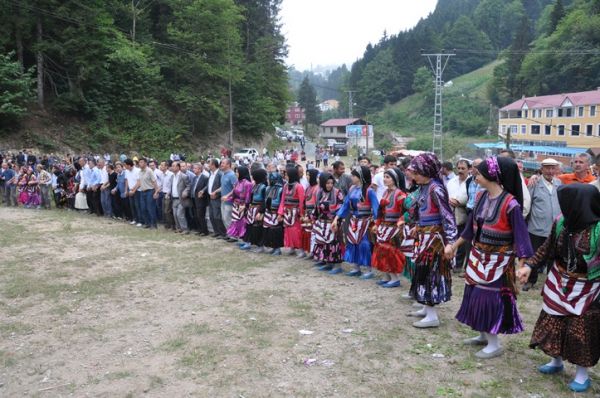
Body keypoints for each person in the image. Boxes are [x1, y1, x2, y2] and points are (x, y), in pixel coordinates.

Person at [518, 184, 600, 393]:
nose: (563, 208)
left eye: (567, 204)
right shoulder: (561, 222)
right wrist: (529, 265)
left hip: (587, 287)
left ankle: (582, 374)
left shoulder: (598, 230)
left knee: (580, 331)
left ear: (579, 205)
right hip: (558, 281)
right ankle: (556, 361)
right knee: (553, 323)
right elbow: (547, 247)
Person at [450, 156, 533, 358]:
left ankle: (494, 343)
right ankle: (482, 335)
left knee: (490, 299)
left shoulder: (511, 204)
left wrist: (523, 266)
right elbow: (470, 228)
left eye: (478, 173)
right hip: (478, 256)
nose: (474, 176)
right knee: (474, 295)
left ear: (491, 175)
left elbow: (521, 238)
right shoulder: (480, 198)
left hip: (499, 261)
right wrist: (455, 246)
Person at [405, 153, 457, 329]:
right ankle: (427, 309)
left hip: (434, 241)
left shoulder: (436, 189)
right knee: (423, 273)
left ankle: (432, 315)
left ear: (426, 171)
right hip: (424, 237)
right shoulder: (426, 187)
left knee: (431, 275)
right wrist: (418, 226)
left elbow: (447, 216)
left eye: (416, 171)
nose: (413, 175)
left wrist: (451, 242)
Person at [333, 165, 379, 279]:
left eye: (354, 175)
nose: (352, 177)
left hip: (365, 222)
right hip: (353, 220)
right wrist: (337, 218)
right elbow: (345, 205)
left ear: (360, 176)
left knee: (364, 245)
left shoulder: (369, 191)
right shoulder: (352, 189)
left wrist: (377, 222)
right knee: (352, 243)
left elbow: (376, 207)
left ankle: (368, 269)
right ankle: (356, 267)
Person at [524, 158, 562, 290]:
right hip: (536, 227)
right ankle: (530, 279)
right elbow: (527, 204)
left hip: (554, 228)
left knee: (554, 256)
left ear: (556, 169)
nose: (550, 171)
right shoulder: (534, 183)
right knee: (534, 254)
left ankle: (551, 282)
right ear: (542, 169)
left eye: (553, 168)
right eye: (547, 168)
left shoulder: (559, 183)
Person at [371, 167, 407, 288]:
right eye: (384, 177)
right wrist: (377, 224)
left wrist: (400, 225)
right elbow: (381, 212)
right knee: (381, 252)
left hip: (393, 228)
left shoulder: (400, 195)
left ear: (395, 179)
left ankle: (395, 278)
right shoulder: (386, 192)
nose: (385, 179)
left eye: (388, 177)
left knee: (390, 252)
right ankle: (386, 276)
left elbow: (405, 212)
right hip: (383, 227)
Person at [313, 172, 345, 273]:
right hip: (322, 223)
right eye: (327, 183)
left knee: (334, 243)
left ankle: (337, 266)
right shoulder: (319, 193)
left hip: (333, 223)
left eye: (331, 183)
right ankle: (328, 263)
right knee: (323, 243)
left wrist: (337, 221)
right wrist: (312, 218)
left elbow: (341, 208)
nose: (330, 185)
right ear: (323, 183)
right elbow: (317, 208)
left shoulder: (337, 193)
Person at [446, 159, 470, 272]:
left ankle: (459, 264)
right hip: (450, 213)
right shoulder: (452, 182)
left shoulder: (472, 182)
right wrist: (450, 201)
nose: (460, 171)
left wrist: (460, 202)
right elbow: (447, 195)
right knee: (450, 238)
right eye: (459, 168)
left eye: (463, 168)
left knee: (462, 239)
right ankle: (449, 261)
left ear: (468, 169)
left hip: (464, 213)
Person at [279, 166, 305, 257]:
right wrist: (280, 213)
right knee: (288, 231)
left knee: (297, 231)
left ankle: (301, 249)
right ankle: (292, 247)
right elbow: (282, 200)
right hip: (287, 212)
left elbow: (302, 202)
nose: (285, 176)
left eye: (286, 174)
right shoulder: (285, 186)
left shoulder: (299, 187)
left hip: (296, 213)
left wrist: (301, 214)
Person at [241, 168, 268, 252]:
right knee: (249, 226)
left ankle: (260, 246)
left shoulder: (264, 187)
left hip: (258, 209)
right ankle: (248, 242)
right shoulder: (255, 185)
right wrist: (246, 206)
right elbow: (250, 198)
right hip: (252, 209)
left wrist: (261, 212)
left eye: (253, 176)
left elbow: (265, 201)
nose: (252, 177)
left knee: (258, 228)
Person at [224, 166, 253, 242]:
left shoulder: (248, 184)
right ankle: (238, 238)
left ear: (242, 173)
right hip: (235, 205)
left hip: (242, 207)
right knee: (236, 222)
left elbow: (248, 197)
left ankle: (245, 240)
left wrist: (244, 206)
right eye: (235, 172)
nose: (236, 174)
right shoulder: (237, 182)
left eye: (237, 172)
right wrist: (227, 198)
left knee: (243, 223)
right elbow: (234, 194)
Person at [263, 172, 285, 255]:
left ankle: (277, 249)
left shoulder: (281, 189)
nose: (270, 180)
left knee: (276, 231)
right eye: (270, 178)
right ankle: (272, 246)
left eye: (272, 178)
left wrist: (281, 214)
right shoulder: (267, 188)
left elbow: (282, 202)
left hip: (276, 213)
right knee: (268, 231)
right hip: (268, 212)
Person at [301, 169, 320, 259]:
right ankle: (309, 251)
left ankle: (313, 252)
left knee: (313, 234)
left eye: (309, 175)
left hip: (313, 214)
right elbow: (305, 201)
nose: (307, 176)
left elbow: (317, 203)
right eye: (307, 175)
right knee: (306, 232)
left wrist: (312, 215)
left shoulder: (317, 188)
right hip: (307, 213)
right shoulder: (308, 188)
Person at [170, 161, 191, 234]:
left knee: (180, 214)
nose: (172, 167)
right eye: (172, 166)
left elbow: (189, 186)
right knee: (175, 214)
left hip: (181, 199)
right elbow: (172, 187)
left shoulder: (183, 176)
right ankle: (179, 228)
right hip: (174, 198)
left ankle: (185, 229)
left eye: (174, 166)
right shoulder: (172, 176)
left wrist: (185, 191)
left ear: (178, 167)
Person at [207, 159, 227, 238]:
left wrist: (217, 194)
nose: (208, 165)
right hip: (210, 198)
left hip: (217, 198)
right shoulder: (210, 174)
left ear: (213, 165)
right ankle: (216, 232)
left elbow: (222, 187)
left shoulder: (220, 174)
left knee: (217, 216)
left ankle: (222, 233)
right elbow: (209, 185)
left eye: (210, 164)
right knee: (211, 216)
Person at [219, 158, 238, 230]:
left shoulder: (232, 175)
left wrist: (227, 196)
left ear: (228, 165)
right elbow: (223, 186)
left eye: (223, 163)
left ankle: (233, 236)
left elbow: (235, 188)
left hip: (229, 202)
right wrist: (215, 192)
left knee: (228, 219)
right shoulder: (223, 174)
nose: (221, 164)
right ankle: (230, 234)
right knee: (224, 219)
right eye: (221, 163)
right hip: (223, 201)